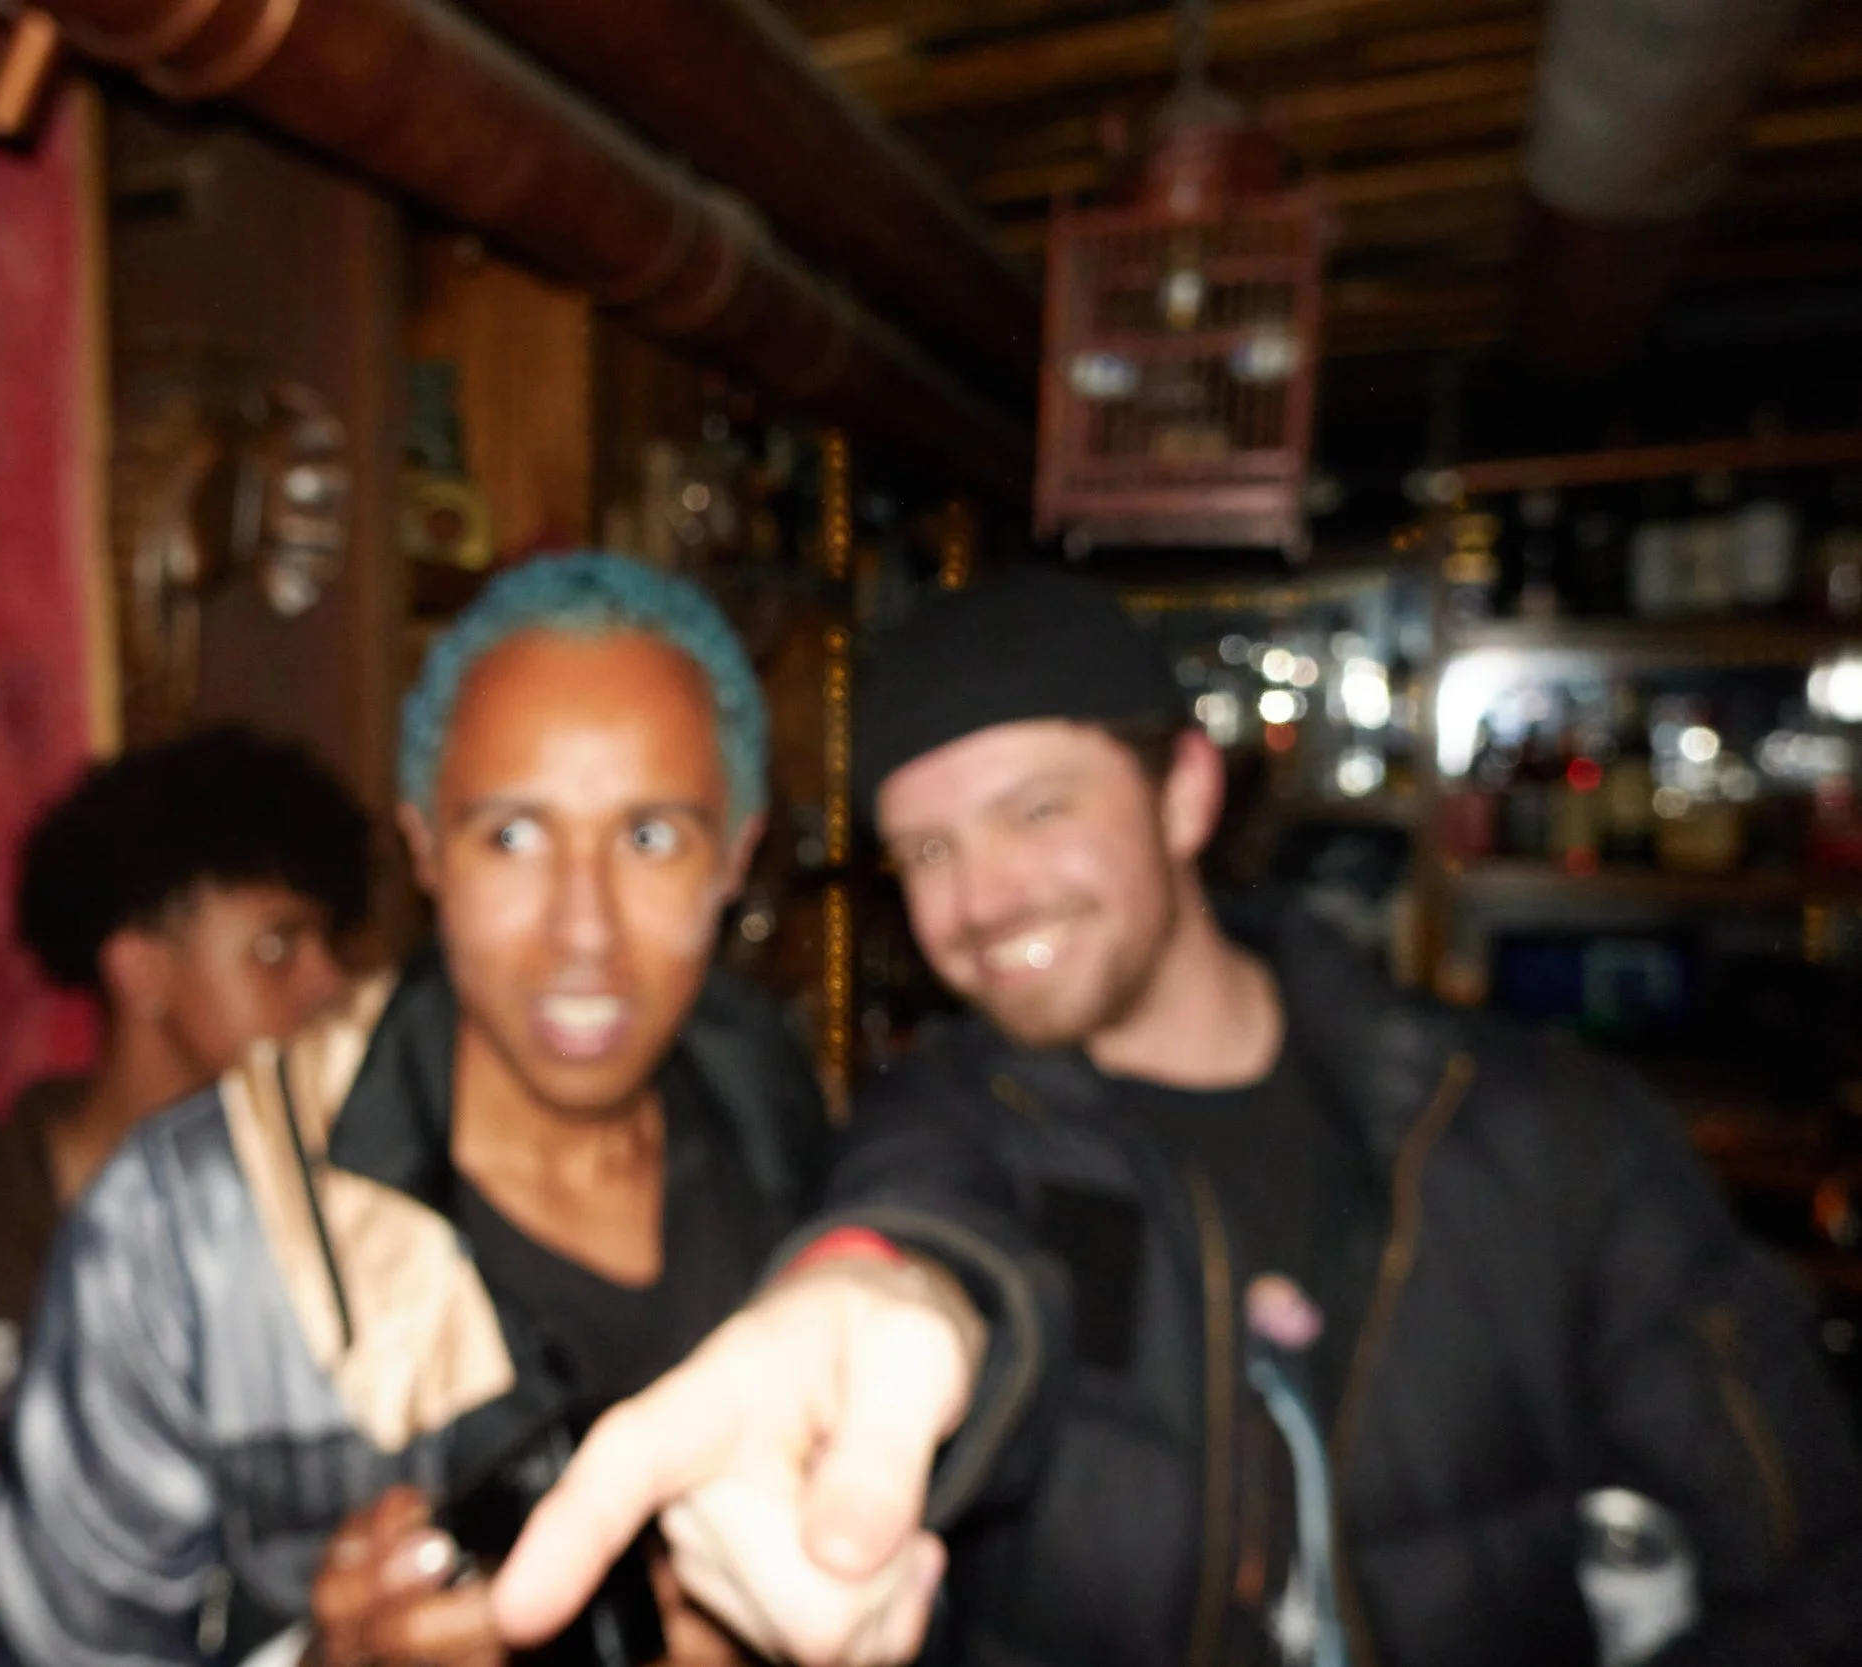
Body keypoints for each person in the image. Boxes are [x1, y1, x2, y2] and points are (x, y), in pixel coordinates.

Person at [493, 567, 1862, 1667]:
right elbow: (913, 1237)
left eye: (1037, 810)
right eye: (928, 850)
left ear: (1186, 794)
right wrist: (862, 1290)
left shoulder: (1540, 1129)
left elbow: (1813, 1566)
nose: (981, 898)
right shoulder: (947, 1119)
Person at [0, 552, 831, 1667]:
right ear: (426, 848)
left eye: (649, 836)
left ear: (735, 857)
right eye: (512, 836)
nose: (582, 931)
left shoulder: (818, 1166)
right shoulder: (187, 1231)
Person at [0, 725, 371, 1656]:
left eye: (327, 944)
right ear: (142, 970)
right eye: (277, 946)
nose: (329, 984)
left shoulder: (348, 1222)